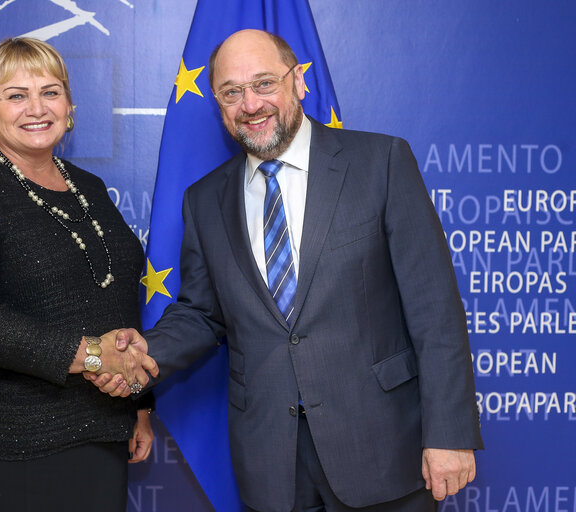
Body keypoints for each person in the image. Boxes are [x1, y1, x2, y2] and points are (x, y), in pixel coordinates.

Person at [90, 30, 483, 512]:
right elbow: (200, 315)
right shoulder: (205, 199)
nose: (249, 104)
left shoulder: (379, 163)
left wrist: (450, 434)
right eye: (231, 91)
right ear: (216, 101)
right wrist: (144, 352)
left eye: (264, 83)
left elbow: (435, 309)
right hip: (271, 463)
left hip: (383, 450)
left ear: (299, 82)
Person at [0, 37, 158, 512]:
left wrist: (139, 401)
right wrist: (94, 357)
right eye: (16, 95)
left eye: (50, 91)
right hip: (8, 445)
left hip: (100, 430)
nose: (36, 108)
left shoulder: (87, 186)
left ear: (69, 104)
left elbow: (116, 300)